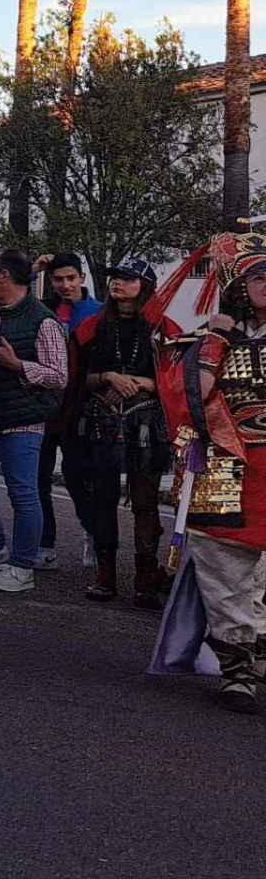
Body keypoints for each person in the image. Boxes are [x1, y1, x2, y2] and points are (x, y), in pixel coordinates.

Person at [171, 226, 266, 712]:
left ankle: (259, 643)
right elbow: (191, 395)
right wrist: (216, 337)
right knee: (222, 568)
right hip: (230, 463)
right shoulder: (215, 335)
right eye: (258, 276)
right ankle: (237, 665)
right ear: (241, 286)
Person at [66, 256, 172, 606]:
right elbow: (78, 378)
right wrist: (109, 377)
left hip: (147, 424)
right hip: (102, 421)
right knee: (102, 499)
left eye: (128, 278)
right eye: (115, 277)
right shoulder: (92, 328)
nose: (118, 283)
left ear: (144, 286)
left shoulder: (164, 329)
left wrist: (141, 382)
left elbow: (175, 382)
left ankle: (145, 579)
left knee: (145, 503)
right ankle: (105, 576)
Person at [0, 249, 69, 594]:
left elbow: (58, 376)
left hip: (22, 419)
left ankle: (23, 565)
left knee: (23, 493)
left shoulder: (44, 321)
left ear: (4, 276)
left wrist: (17, 364)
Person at [32, 251, 101, 565]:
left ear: (82, 278)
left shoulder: (98, 312)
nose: (64, 284)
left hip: (82, 408)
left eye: (70, 278)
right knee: (38, 478)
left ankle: (92, 534)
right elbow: (10, 302)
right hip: (45, 407)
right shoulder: (43, 309)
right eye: (58, 279)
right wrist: (33, 271)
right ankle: (45, 543)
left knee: (79, 478)